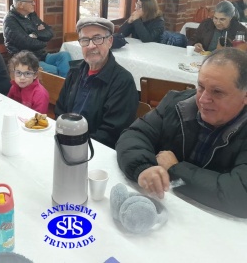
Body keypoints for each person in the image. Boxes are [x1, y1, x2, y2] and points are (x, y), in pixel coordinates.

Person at [116, 48, 247, 218]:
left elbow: (239, 194)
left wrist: (175, 168)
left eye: (217, 92)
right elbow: (135, 134)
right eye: (200, 86)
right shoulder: (178, 104)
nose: (203, 99)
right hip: (166, 213)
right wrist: (143, 168)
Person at [55, 17, 139, 149]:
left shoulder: (123, 82)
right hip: (66, 143)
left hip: (96, 151)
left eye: (97, 38)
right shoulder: (75, 72)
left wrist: (76, 144)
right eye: (85, 40)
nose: (91, 45)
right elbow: (60, 110)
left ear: (110, 41)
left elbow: (111, 133)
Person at [3, 0, 71, 77]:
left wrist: (35, 34)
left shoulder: (31, 15)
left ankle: (65, 86)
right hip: (25, 60)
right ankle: (62, 86)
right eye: (31, 1)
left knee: (65, 55)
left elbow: (50, 32)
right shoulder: (10, 21)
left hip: (41, 55)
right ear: (20, 4)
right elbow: (27, 43)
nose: (34, 4)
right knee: (55, 70)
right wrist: (41, 36)